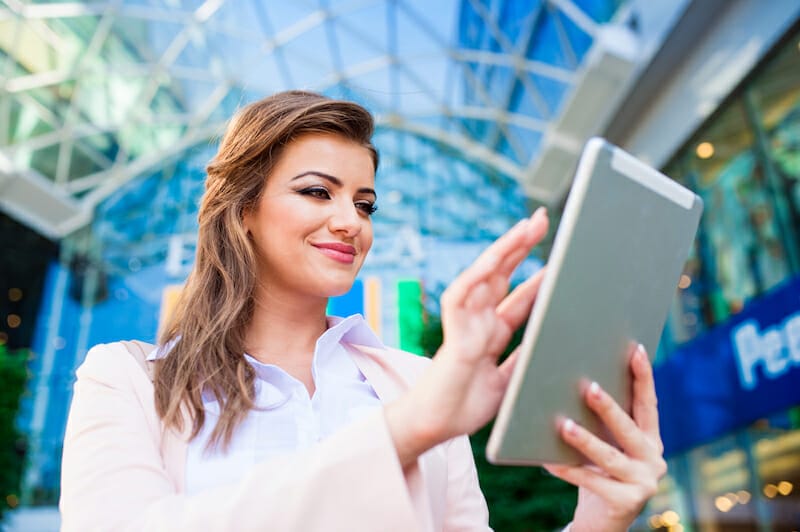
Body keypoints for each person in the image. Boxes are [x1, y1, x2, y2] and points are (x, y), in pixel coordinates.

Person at [60, 90, 666, 531]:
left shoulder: (419, 384)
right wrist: (405, 432)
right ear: (241, 208)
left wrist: (600, 518)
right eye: (317, 192)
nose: (351, 221)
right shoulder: (127, 380)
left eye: (366, 203)